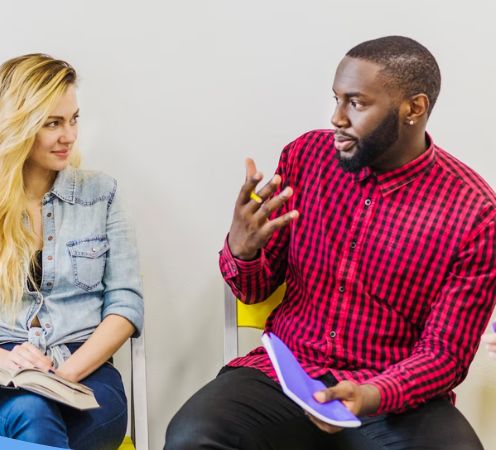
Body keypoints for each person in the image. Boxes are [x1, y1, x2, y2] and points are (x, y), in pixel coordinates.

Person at [165, 36, 494, 450]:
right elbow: (254, 289)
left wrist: (372, 394)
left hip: (392, 392)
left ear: (414, 108)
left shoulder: (475, 213)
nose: (337, 117)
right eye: (336, 99)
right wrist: (242, 250)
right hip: (286, 374)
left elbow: (445, 353)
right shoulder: (306, 157)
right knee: (194, 438)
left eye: (355, 103)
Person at [0, 54, 143, 449]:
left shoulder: (102, 196)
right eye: (53, 123)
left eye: (73, 119)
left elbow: (125, 308)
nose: (70, 135)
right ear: (16, 126)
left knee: (38, 421)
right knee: (31, 414)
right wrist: (5, 362)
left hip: (88, 372)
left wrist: (62, 377)